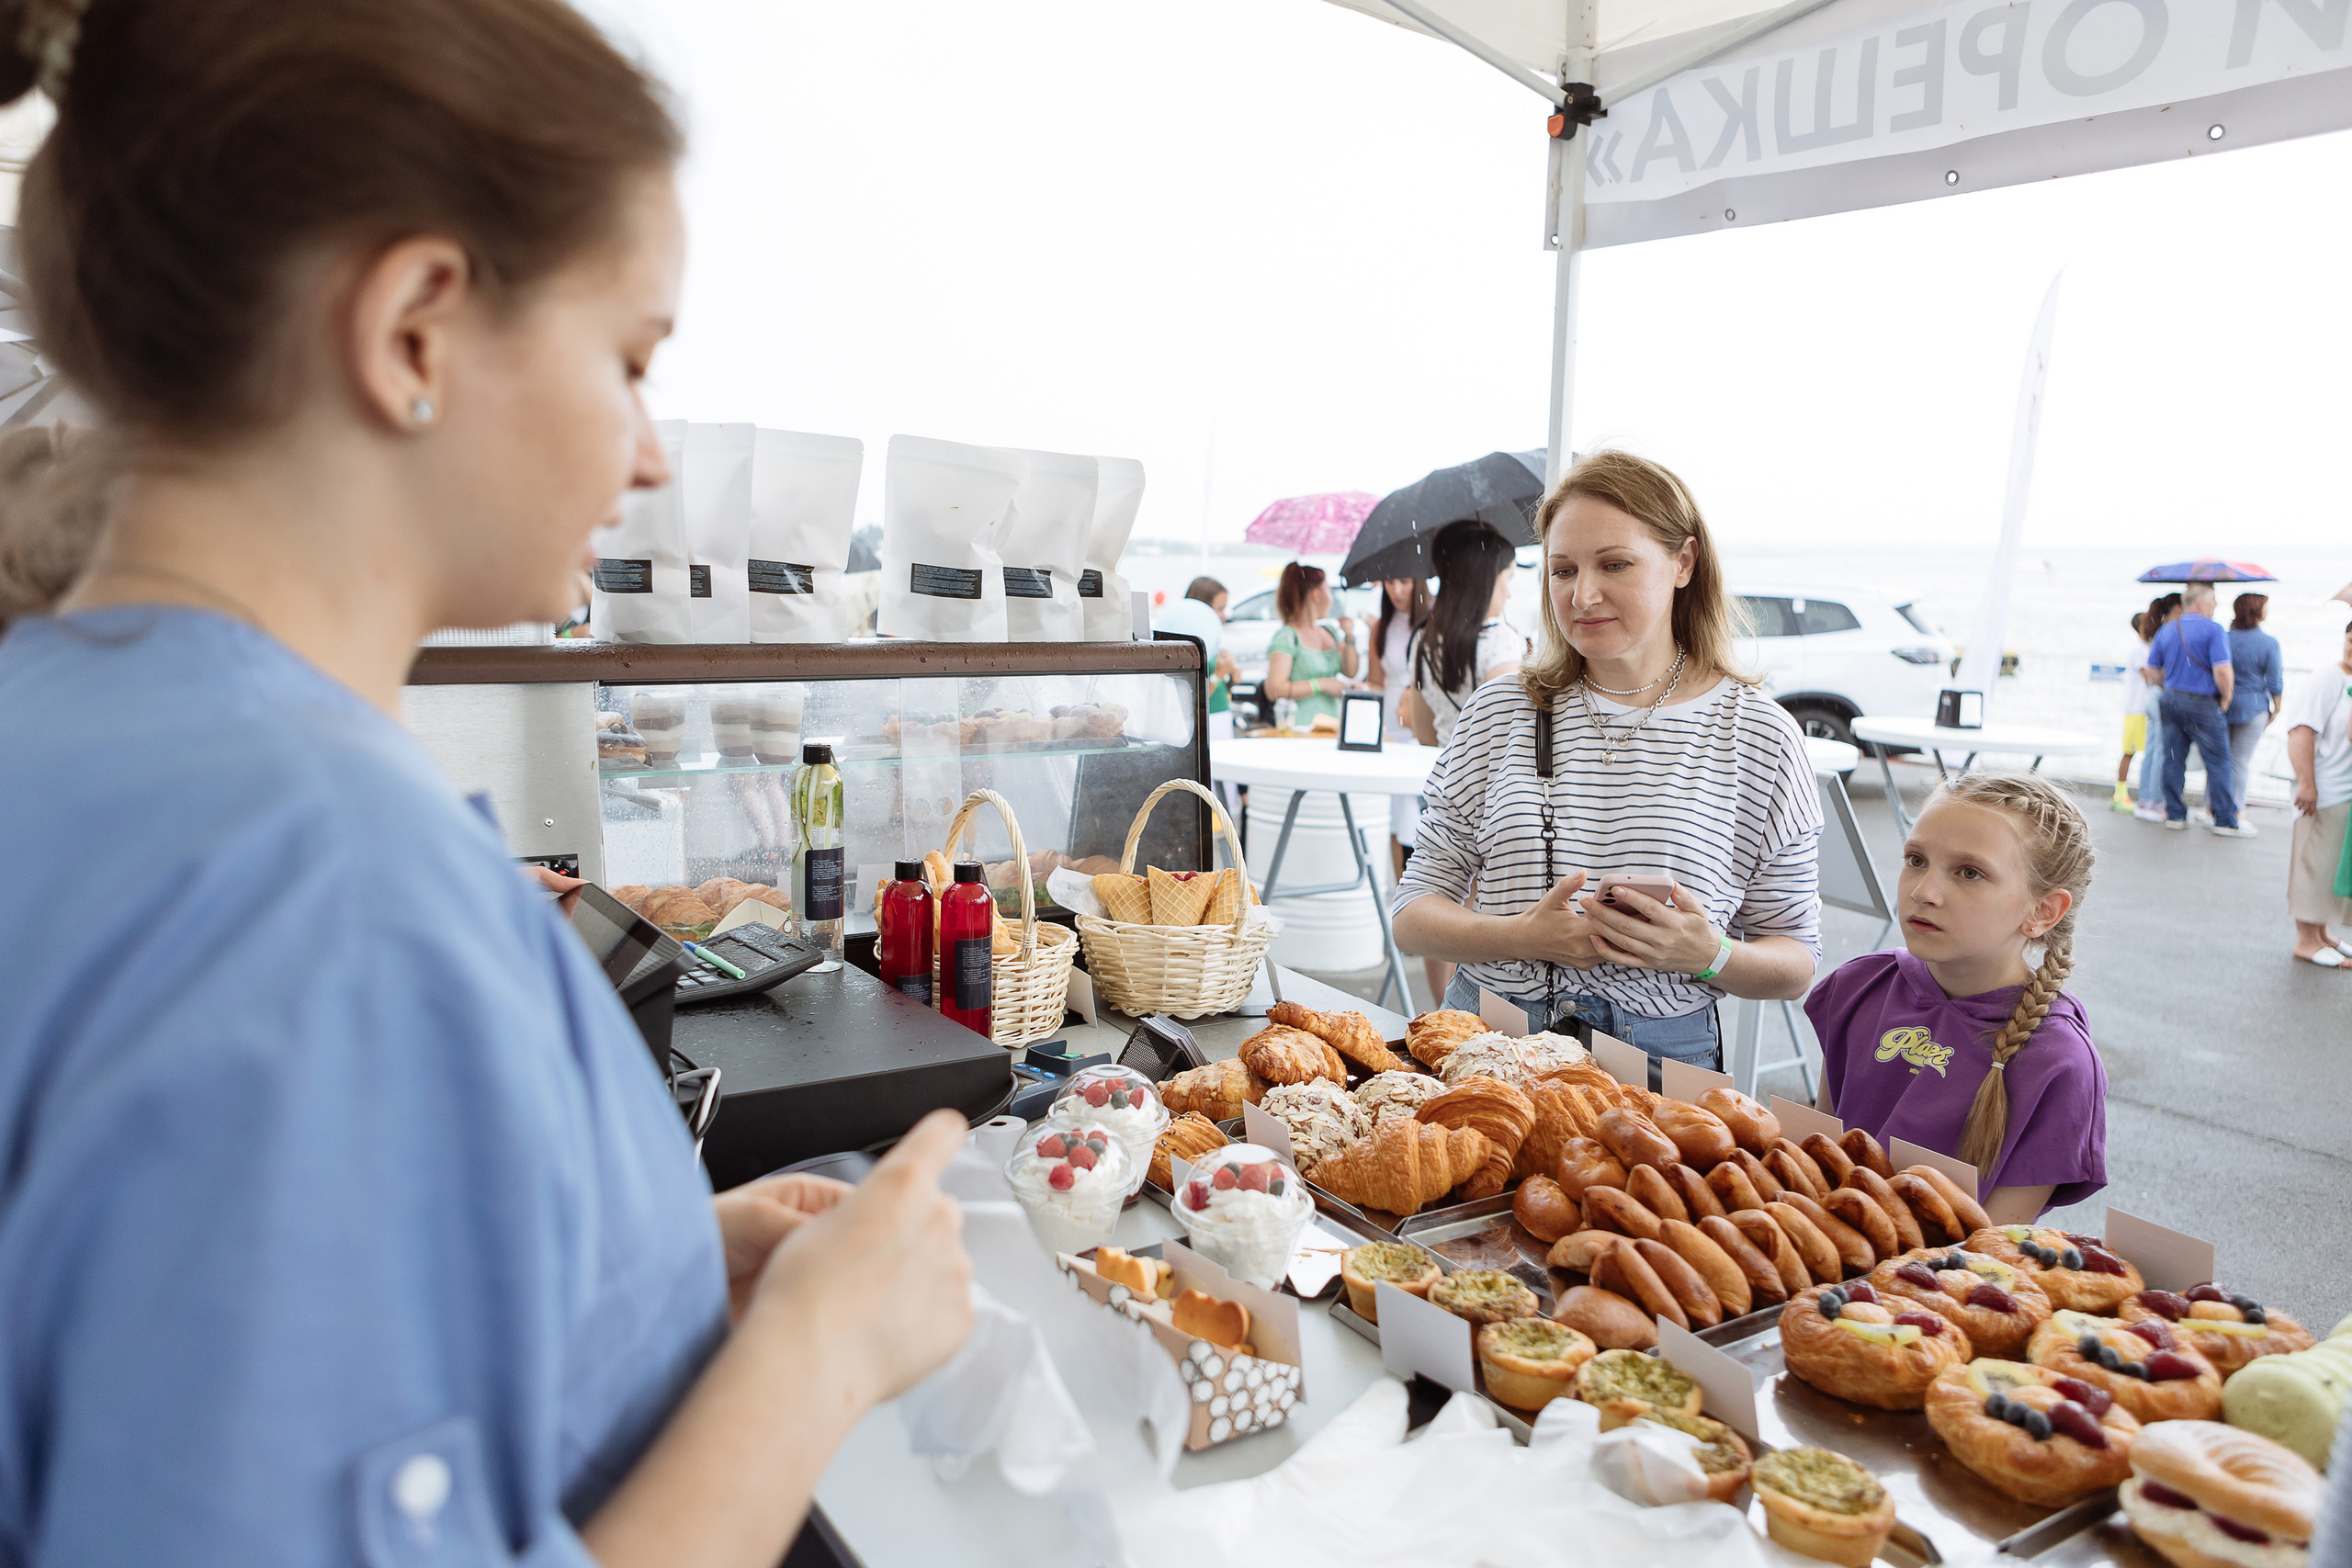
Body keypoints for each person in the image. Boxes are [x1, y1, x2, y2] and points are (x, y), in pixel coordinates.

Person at [0, 6, 973, 1564]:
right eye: (630, 357)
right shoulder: (323, 896)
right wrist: (821, 1356)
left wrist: (630, 1276)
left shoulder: (67, 730)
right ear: (414, 331)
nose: (650, 452)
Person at [1390, 451, 1823, 1078]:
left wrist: (1710, 954)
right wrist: (1522, 937)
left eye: (1614, 564)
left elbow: (1796, 959)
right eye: (1562, 569)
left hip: (1659, 1064)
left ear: (1684, 561)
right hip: (1485, 1045)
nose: (1582, 594)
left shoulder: (1759, 735)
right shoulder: (1503, 710)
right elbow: (1412, 916)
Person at [1805, 773, 2104, 1222]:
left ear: (2042, 911)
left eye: (1969, 872)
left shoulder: (2058, 1062)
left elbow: (1989, 1248)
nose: (1924, 892)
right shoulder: (1861, 985)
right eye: (1916, 859)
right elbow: (1815, 1158)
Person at [1407, 519, 1524, 750]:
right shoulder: (1500, 640)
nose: (1508, 594)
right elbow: (1506, 730)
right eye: (1508, 578)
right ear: (1487, 579)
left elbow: (1424, 734)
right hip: (1489, 781)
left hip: (1442, 773)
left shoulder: (1423, 641)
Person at [2144, 581, 2249, 836]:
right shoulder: (2213, 630)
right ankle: (2225, 819)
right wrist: (2226, 698)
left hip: (2171, 699)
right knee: (2219, 761)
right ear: (2200, 602)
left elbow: (2152, 670)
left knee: (2172, 757)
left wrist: (2169, 685)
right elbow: (2223, 670)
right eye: (2213, 601)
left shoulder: (2168, 630)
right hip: (2202, 702)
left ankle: (2175, 814)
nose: (2215, 606)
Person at [2282, 622, 2352, 967]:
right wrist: (2306, 783)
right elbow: (2300, 729)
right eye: (2350, 639)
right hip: (2323, 788)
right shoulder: (2329, 678)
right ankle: (2306, 940)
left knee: (2330, 865)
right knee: (2313, 861)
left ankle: (2322, 933)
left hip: (2344, 791)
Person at [1263, 559, 1357, 728]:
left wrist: (1349, 635)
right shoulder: (1288, 636)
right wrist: (1321, 684)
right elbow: (1274, 689)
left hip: (1334, 724)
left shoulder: (1330, 632)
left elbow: (1350, 671)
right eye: (1328, 590)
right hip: (1301, 727)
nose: (1331, 598)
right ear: (1316, 594)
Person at [2226, 592, 2285, 813]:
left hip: (2224, 705)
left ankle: (2211, 806)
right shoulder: (2268, 643)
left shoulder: (2224, 637)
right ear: (2257, 611)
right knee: (2240, 761)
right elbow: (2275, 680)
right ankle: (2236, 810)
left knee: (2221, 760)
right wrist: (2277, 707)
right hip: (2253, 706)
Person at [1158, 574, 1236, 739]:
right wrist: (1219, 675)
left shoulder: (1209, 639)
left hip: (1219, 717)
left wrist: (1231, 676)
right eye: (1219, 609)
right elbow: (1189, 700)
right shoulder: (1185, 649)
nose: (1223, 616)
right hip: (1205, 723)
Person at [2114, 611, 2158, 815]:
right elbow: (2148, 675)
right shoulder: (2138, 651)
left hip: (2145, 708)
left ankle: (2141, 794)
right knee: (2129, 751)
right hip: (2136, 709)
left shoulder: (2149, 647)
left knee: (2148, 751)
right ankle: (2119, 794)